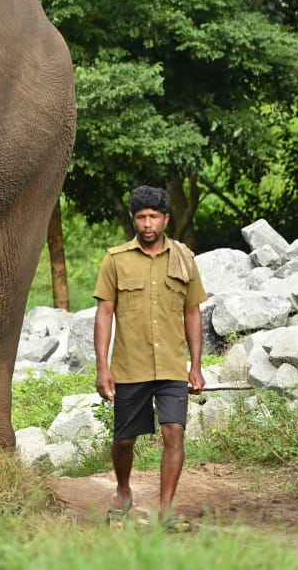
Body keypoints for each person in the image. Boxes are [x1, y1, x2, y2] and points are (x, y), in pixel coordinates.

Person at [93, 185, 207, 532]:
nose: (147, 224)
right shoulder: (116, 260)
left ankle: (166, 511)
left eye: (153, 217)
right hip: (130, 367)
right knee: (124, 440)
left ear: (165, 219)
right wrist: (103, 367)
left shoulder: (184, 258)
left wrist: (196, 366)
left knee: (175, 433)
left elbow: (193, 313)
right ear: (134, 220)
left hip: (172, 365)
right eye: (141, 217)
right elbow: (104, 313)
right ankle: (123, 491)